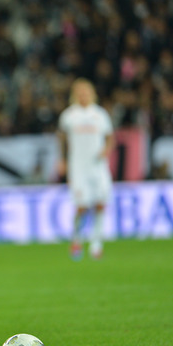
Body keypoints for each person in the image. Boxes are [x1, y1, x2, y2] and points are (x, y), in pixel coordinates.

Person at [57, 78, 114, 260]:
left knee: (100, 204)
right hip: (78, 167)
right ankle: (77, 239)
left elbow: (110, 138)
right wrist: (63, 160)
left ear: (92, 94)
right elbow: (62, 139)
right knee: (81, 207)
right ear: (75, 95)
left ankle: (96, 245)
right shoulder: (69, 116)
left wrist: (106, 150)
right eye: (80, 92)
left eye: (86, 92)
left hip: (98, 167)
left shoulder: (100, 114)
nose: (83, 95)